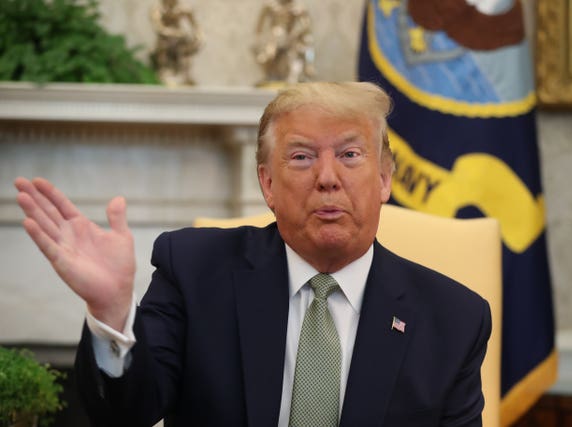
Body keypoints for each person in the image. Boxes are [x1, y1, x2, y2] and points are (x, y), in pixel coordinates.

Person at [14, 81, 490, 426]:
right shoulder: (195, 270)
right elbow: (127, 413)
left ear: (384, 179)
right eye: (302, 157)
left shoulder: (453, 318)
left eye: (350, 155)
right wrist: (111, 312)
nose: (327, 177)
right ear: (267, 183)